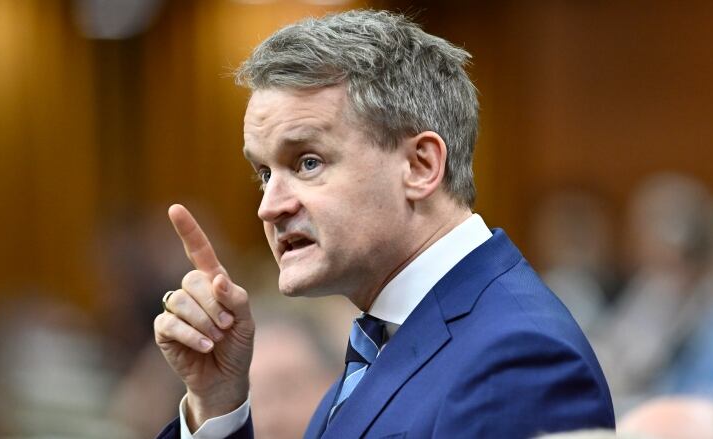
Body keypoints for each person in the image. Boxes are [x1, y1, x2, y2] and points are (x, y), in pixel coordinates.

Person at [153, 10, 614, 439]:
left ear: (419, 166)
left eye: (308, 162)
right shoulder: (383, 335)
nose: (269, 207)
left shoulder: (518, 361)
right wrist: (217, 404)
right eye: (265, 174)